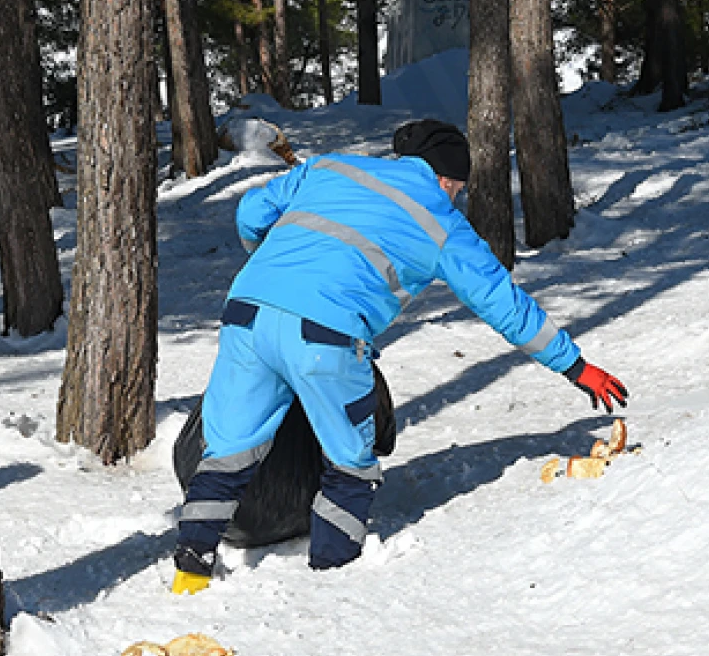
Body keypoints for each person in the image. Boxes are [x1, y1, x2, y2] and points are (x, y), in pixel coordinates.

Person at [173, 120, 627, 593]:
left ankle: (190, 574)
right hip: (326, 332)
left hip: (247, 313)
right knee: (349, 458)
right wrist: (575, 366)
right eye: (458, 189)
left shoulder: (329, 168)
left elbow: (251, 210)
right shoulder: (440, 221)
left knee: (226, 448)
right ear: (448, 180)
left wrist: (270, 263)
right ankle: (331, 577)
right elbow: (504, 303)